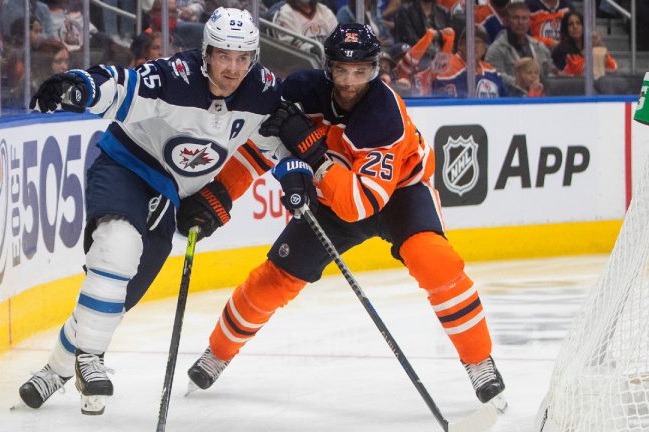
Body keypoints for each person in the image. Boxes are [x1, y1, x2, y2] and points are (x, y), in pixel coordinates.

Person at [185, 23, 507, 410]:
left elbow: (359, 205)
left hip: (399, 194)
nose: (350, 82)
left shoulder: (385, 115)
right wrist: (220, 194)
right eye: (342, 70)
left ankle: (479, 360)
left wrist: (312, 152)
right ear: (329, 68)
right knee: (273, 280)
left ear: (374, 70)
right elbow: (262, 148)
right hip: (333, 195)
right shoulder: (301, 91)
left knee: (434, 261)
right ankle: (217, 353)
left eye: (360, 71)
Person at [17, 7, 288, 415]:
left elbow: (278, 142)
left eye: (242, 58)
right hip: (126, 167)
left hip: (170, 196)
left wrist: (298, 171)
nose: (232, 68)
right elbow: (122, 86)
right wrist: (81, 87)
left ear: (253, 58)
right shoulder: (176, 77)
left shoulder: (262, 93)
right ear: (206, 53)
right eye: (223, 56)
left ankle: (55, 371)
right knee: (117, 247)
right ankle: (90, 358)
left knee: (115, 296)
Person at [485, 2, 552, 83]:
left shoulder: (539, 47)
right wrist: (522, 83)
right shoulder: (496, 50)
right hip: (511, 91)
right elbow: (496, 78)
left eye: (524, 18)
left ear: (529, 22)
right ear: (506, 21)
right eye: (515, 18)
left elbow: (550, 75)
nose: (520, 22)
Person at [432, 26, 506, 97]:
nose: (474, 46)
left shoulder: (491, 71)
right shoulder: (448, 66)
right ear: (460, 44)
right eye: (470, 41)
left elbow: (504, 97)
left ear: (484, 48)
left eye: (478, 42)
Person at [551, 10, 617, 77]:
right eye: (570, 24)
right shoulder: (559, 51)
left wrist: (600, 47)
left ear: (583, 26)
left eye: (578, 23)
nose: (575, 27)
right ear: (565, 28)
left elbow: (612, 68)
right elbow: (572, 74)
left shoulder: (593, 46)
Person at [273, 0, 339, 50]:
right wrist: (315, 50)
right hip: (301, 62)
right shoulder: (285, 15)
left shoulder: (325, 11)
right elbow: (293, 47)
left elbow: (338, 39)